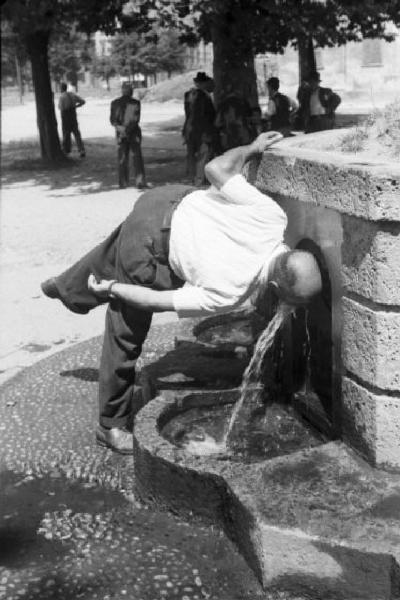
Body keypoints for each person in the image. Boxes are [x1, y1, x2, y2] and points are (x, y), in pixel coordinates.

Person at [41, 131, 322, 455]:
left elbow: (216, 169)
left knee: (119, 246)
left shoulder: (274, 218)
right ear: (274, 289)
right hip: (148, 248)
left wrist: (253, 148)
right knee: (125, 333)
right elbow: (154, 300)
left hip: (162, 200)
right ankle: (110, 425)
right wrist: (116, 290)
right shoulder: (231, 294)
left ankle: (65, 287)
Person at [182, 72, 218, 186]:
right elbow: (210, 116)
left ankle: (190, 178)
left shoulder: (188, 95)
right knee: (203, 156)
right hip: (203, 131)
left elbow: (188, 113)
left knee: (191, 155)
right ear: (204, 83)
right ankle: (198, 180)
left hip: (189, 129)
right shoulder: (205, 97)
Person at [110, 81, 146, 189]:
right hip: (133, 132)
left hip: (120, 133)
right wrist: (127, 130)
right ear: (131, 91)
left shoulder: (115, 103)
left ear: (122, 90)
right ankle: (140, 181)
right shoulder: (135, 103)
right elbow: (135, 120)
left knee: (122, 157)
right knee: (137, 157)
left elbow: (112, 120)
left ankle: (123, 182)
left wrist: (120, 129)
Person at [215, 86, 258, 151]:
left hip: (229, 139)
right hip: (244, 137)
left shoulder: (222, 105)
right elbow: (252, 119)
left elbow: (217, 123)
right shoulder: (244, 102)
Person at [58, 82, 86, 158]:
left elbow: (60, 108)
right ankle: (81, 150)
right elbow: (83, 101)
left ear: (61, 88)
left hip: (66, 116)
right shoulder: (72, 94)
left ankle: (66, 150)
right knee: (77, 134)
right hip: (73, 116)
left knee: (66, 134)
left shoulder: (61, 97)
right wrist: (76, 106)